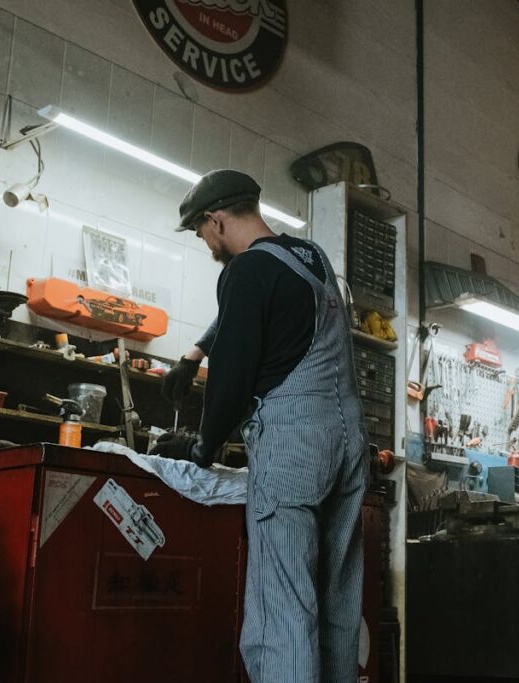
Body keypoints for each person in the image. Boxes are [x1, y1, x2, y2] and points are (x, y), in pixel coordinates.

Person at [155, 169, 367, 683]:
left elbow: (231, 380)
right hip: (349, 443)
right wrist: (195, 352)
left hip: (295, 446)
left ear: (216, 220)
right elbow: (259, 305)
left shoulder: (244, 270)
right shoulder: (310, 257)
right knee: (336, 604)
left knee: (284, 607)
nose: (207, 243)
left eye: (201, 232)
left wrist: (203, 446)